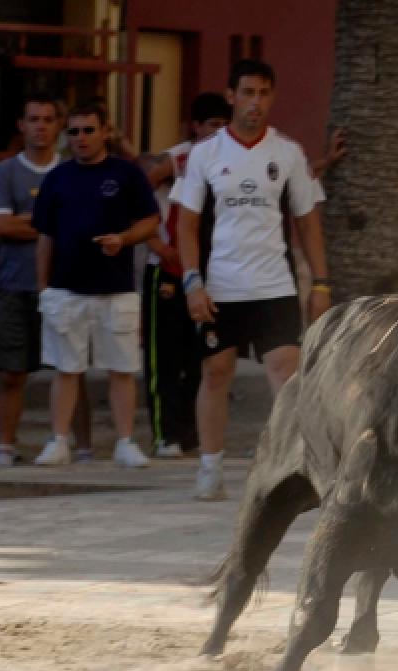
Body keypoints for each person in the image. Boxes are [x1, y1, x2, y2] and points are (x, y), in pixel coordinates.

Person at [177, 58, 330, 500]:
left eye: (264, 93)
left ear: (272, 97)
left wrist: (320, 283)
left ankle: (290, 469)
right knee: (216, 372)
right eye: (247, 93)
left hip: (274, 286)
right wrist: (192, 282)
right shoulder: (205, 155)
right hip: (219, 285)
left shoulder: (288, 154)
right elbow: (187, 225)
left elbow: (307, 222)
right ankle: (210, 467)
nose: (255, 103)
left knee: (286, 372)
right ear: (231, 96)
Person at [31, 101, 160, 468]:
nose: (81, 138)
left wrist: (123, 238)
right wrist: (43, 289)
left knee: (121, 369)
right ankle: (58, 441)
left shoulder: (126, 174)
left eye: (89, 130)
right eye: (74, 131)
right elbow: (45, 237)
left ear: (105, 131)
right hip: (66, 289)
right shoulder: (57, 178)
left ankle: (124, 442)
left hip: (116, 288)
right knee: (66, 369)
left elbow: (150, 222)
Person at [140, 92, 231, 459]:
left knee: (203, 358)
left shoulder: (233, 159)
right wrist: (154, 241)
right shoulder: (180, 157)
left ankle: (192, 434)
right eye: (211, 125)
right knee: (165, 358)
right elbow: (139, 188)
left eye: (224, 125)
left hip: (211, 272)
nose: (218, 131)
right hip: (167, 270)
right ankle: (165, 435)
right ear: (196, 126)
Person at [0, 94, 61, 468]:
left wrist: (29, 222)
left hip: (66, 286)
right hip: (14, 283)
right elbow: (0, 225)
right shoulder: (4, 172)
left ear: (57, 125)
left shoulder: (70, 170)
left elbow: (81, 226)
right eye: (34, 119)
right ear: (22, 125)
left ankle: (75, 445)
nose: (41, 125)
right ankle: (4, 447)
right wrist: (53, 224)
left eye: (48, 118)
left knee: (70, 370)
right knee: (11, 371)